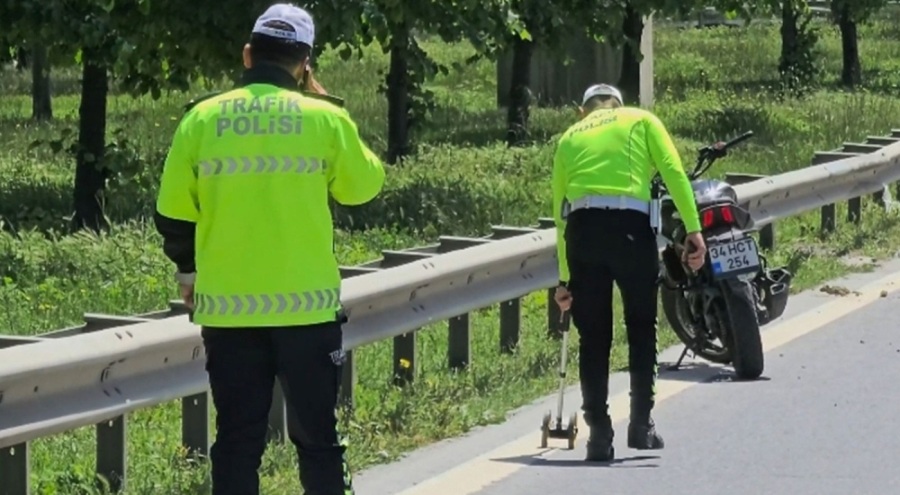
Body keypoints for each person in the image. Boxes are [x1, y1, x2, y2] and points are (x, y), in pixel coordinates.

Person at [153, 4, 385, 494]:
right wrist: (333, 109)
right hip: (306, 311)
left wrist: (189, 273)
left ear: (247, 55)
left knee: (237, 441)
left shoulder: (201, 118)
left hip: (229, 313)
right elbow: (363, 187)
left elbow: (173, 214)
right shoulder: (324, 118)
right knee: (320, 440)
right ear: (305, 63)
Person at [550, 83, 706, 462]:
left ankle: (599, 435)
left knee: (594, 337)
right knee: (641, 325)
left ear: (582, 111)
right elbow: (673, 172)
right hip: (630, 231)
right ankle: (641, 425)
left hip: (583, 232)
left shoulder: (569, 137)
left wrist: (563, 279)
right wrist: (693, 230)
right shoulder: (641, 119)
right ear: (618, 105)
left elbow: (559, 213)